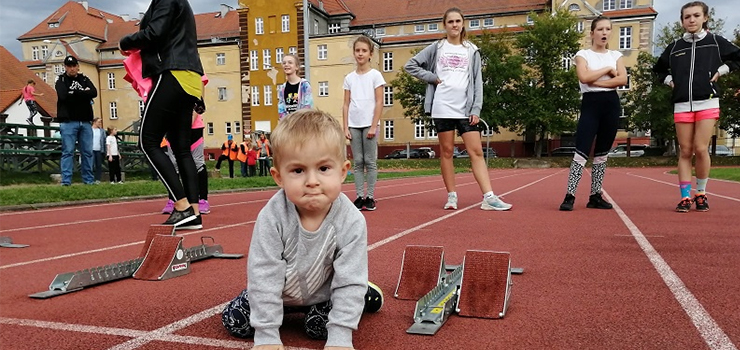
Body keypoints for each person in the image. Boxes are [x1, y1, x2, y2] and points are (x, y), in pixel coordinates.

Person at [220, 110, 383, 350]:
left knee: (319, 328)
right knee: (235, 322)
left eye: (324, 168)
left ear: (343, 171)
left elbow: (348, 281)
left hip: (323, 293)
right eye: (298, 171)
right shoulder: (272, 217)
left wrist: (340, 337)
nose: (312, 181)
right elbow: (263, 275)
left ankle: (365, 293)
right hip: (281, 292)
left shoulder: (351, 221)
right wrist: (266, 335)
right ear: (278, 177)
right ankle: (276, 315)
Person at [404, 8, 512, 211]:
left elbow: (478, 82)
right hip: (442, 106)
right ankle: (451, 196)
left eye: (457, 21)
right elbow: (410, 65)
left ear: (463, 24)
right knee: (446, 152)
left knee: (477, 151)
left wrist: (476, 109)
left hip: (465, 109)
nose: (454, 25)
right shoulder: (437, 47)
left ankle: (488, 197)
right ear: (444, 25)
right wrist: (432, 77)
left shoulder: (472, 50)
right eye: (450, 21)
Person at [119, 0, 205, 228]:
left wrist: (126, 41)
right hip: (190, 77)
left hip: (172, 73)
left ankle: (182, 206)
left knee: (147, 141)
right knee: (181, 148)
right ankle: (194, 212)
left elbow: (154, 33)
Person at [654, 1, 740, 213]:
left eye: (696, 15)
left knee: (701, 148)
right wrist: (670, 81)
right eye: (687, 17)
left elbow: (738, 58)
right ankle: (685, 197)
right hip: (682, 103)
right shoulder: (675, 47)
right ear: (682, 21)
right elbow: (658, 71)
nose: (691, 20)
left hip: (707, 101)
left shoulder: (715, 42)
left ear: (705, 18)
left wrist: (722, 71)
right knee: (685, 150)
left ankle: (701, 194)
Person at [558, 16, 627, 211]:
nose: (604, 33)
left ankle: (595, 195)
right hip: (591, 104)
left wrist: (596, 81)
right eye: (600, 29)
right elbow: (584, 77)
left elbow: (622, 79)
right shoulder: (583, 54)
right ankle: (569, 195)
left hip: (611, 104)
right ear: (592, 33)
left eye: (607, 29)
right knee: (581, 150)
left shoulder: (616, 55)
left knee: (602, 152)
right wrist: (607, 70)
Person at [342, 36, 385, 211]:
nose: (360, 54)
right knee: (358, 161)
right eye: (357, 50)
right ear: (354, 53)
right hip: (354, 124)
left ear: (370, 54)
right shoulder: (349, 78)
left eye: (364, 51)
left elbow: (379, 101)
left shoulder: (375, 75)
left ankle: (371, 196)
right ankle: (360, 196)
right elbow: (345, 103)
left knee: (370, 160)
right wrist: (345, 126)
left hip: (369, 123)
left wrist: (374, 125)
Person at [161, 111, 211, 220]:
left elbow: (196, 108)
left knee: (198, 163)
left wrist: (186, 126)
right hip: (172, 130)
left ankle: (202, 199)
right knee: (173, 164)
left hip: (194, 130)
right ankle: (174, 199)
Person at [55, 55, 97, 186]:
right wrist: (83, 93)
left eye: (74, 66)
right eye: (69, 66)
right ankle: (66, 181)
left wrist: (73, 93)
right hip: (68, 121)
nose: (72, 69)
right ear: (65, 67)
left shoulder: (84, 78)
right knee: (68, 151)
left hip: (85, 121)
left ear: (78, 66)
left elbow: (94, 92)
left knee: (88, 152)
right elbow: (63, 96)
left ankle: (88, 180)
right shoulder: (61, 80)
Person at [277, 54, 313, 120]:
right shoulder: (282, 88)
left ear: (297, 67)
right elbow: (281, 108)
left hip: (301, 124)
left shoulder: (304, 85)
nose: (286, 65)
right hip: (288, 125)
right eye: (284, 63)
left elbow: (308, 106)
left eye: (290, 62)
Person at [91, 118, 106, 183]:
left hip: (99, 150)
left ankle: (98, 179)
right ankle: (91, 178)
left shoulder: (102, 131)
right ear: (94, 122)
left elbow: (104, 140)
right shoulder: (90, 130)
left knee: (99, 165)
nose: (100, 123)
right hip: (91, 149)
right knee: (91, 165)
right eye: (99, 122)